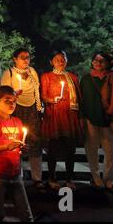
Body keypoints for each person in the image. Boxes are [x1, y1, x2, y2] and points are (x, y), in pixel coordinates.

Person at [80, 52, 113, 194]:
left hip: (110, 120)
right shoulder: (86, 79)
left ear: (108, 63)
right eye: (95, 60)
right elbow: (82, 100)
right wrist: (82, 117)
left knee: (111, 152)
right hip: (91, 119)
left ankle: (109, 180)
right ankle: (96, 178)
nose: (98, 63)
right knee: (91, 151)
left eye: (102, 60)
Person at [0, 86, 33, 222]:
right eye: (7, 100)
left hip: (15, 174)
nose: (12, 104)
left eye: (14, 101)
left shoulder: (17, 122)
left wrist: (23, 148)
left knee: (26, 213)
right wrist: (6, 147)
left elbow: (19, 146)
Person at [0, 48, 44, 192]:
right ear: (15, 59)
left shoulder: (32, 72)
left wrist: (39, 108)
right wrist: (13, 95)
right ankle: (16, 176)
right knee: (16, 143)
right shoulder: (9, 73)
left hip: (32, 110)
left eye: (28, 57)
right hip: (16, 110)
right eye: (22, 57)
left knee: (35, 143)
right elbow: (3, 94)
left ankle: (37, 178)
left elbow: (37, 90)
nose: (26, 60)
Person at [41, 51, 82, 191]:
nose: (60, 61)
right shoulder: (47, 76)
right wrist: (52, 100)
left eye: (63, 59)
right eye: (57, 59)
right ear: (51, 62)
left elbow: (79, 97)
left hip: (70, 116)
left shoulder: (73, 77)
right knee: (52, 148)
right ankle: (52, 178)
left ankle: (69, 178)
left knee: (70, 149)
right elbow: (44, 96)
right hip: (54, 116)